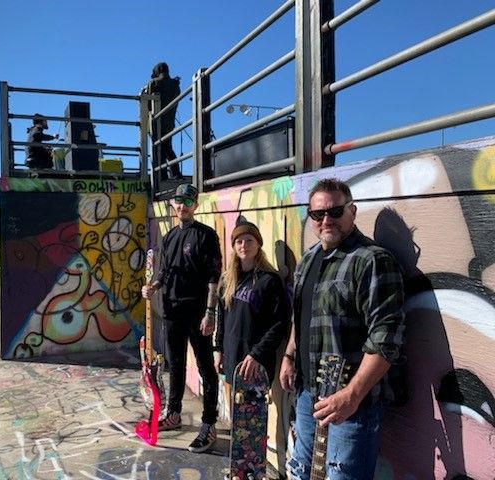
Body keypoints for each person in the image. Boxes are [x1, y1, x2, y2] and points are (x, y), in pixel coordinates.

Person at [280, 178, 405, 480]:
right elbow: (301, 318)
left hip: (351, 406)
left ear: (352, 211)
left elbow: (386, 338)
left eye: (335, 212)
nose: (326, 220)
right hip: (308, 395)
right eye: (318, 214)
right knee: (300, 471)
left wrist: (352, 395)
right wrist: (289, 355)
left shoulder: (373, 260)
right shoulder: (307, 260)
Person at [141, 183, 221, 453]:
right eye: (179, 200)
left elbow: (214, 277)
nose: (182, 205)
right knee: (175, 365)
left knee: (206, 368)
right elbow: (164, 272)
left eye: (188, 201)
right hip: (171, 311)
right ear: (173, 204)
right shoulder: (169, 237)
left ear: (195, 205)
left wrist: (210, 312)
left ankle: (209, 424)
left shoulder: (206, 235)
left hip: (197, 313)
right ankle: (173, 413)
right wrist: (152, 287)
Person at [214, 220, 291, 386]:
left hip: (256, 364)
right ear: (234, 246)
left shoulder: (269, 280)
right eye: (239, 241)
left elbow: (279, 324)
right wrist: (218, 349)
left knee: (253, 404)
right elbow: (222, 318)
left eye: (249, 240)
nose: (244, 245)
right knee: (235, 402)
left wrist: (257, 354)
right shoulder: (227, 280)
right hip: (232, 359)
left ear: (258, 245)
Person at [146, 62, 182, 180]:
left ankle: (162, 175)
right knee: (168, 148)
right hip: (169, 122)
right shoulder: (175, 84)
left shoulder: (154, 82)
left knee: (159, 148)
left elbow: (148, 104)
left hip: (157, 122)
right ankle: (176, 173)